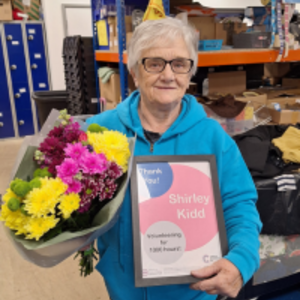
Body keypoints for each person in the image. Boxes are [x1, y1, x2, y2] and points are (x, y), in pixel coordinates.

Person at [86, 17, 262, 300]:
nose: (168, 75)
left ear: (191, 71)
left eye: (180, 64)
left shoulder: (213, 138)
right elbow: (68, 194)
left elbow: (239, 205)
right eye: (154, 63)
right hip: (123, 289)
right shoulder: (98, 131)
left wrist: (241, 261)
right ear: (134, 69)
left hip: (194, 291)